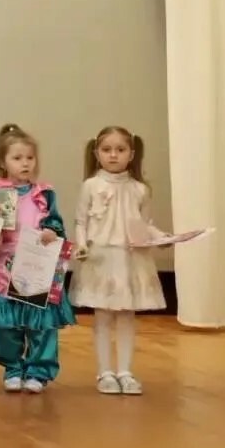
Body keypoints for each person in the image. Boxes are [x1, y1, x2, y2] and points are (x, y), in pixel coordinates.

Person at [0, 123, 75, 394]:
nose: (25, 163)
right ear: (2, 161)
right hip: (5, 267)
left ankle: (38, 371)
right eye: (17, 158)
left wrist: (51, 231)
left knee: (41, 323)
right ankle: (12, 368)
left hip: (36, 265)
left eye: (30, 158)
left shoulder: (44, 194)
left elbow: (56, 224)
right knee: (7, 324)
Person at [70, 125, 167, 396]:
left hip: (130, 258)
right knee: (102, 316)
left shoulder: (140, 190)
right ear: (96, 153)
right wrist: (81, 244)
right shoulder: (91, 186)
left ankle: (125, 370)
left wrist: (162, 237)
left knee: (126, 316)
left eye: (120, 149)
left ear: (131, 154)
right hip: (101, 258)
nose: (113, 155)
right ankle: (105, 371)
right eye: (107, 149)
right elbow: (81, 221)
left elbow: (145, 224)